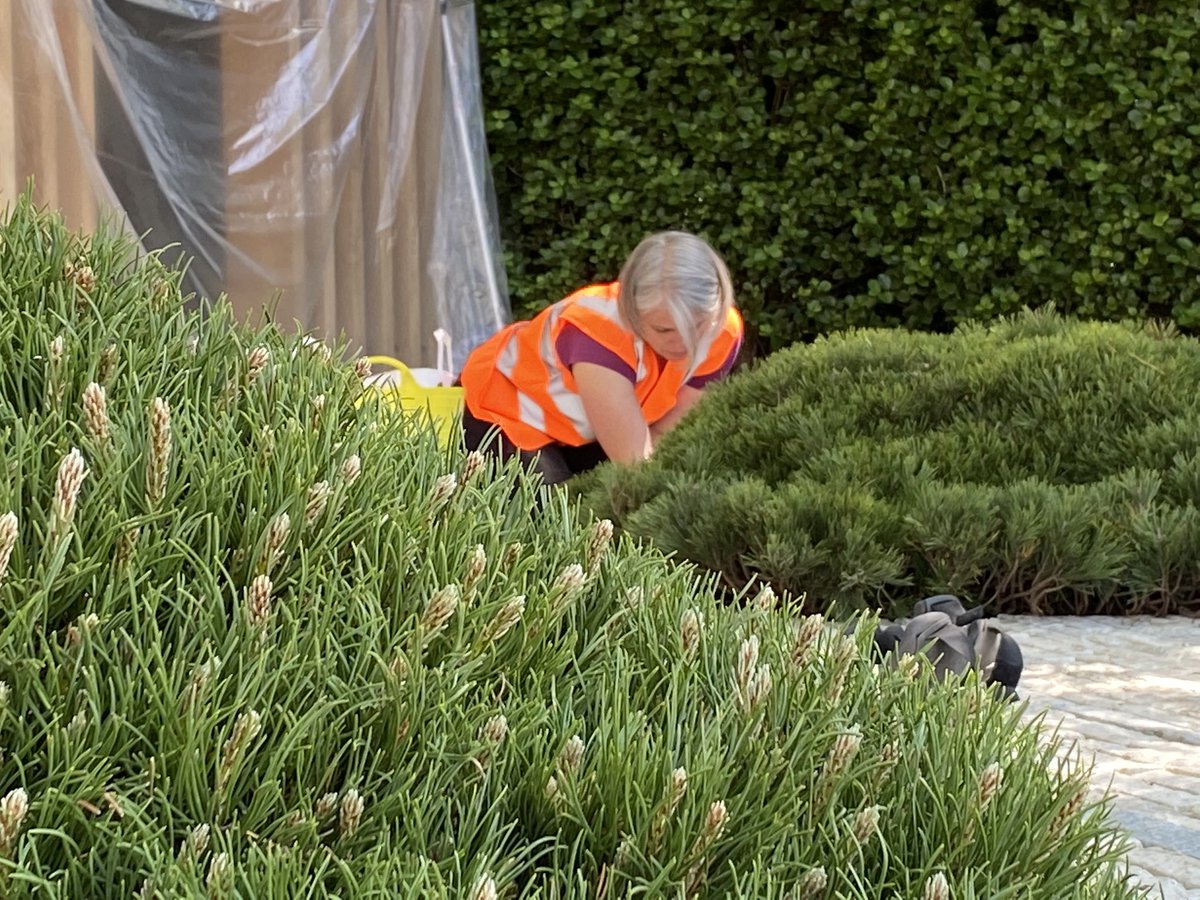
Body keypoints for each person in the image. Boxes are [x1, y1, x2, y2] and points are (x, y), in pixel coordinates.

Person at [458, 231, 744, 485]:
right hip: (504, 412)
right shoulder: (597, 334)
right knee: (555, 516)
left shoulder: (722, 329)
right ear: (632, 310)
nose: (683, 343)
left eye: (697, 327)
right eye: (664, 329)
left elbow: (669, 432)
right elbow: (635, 464)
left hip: (582, 430)